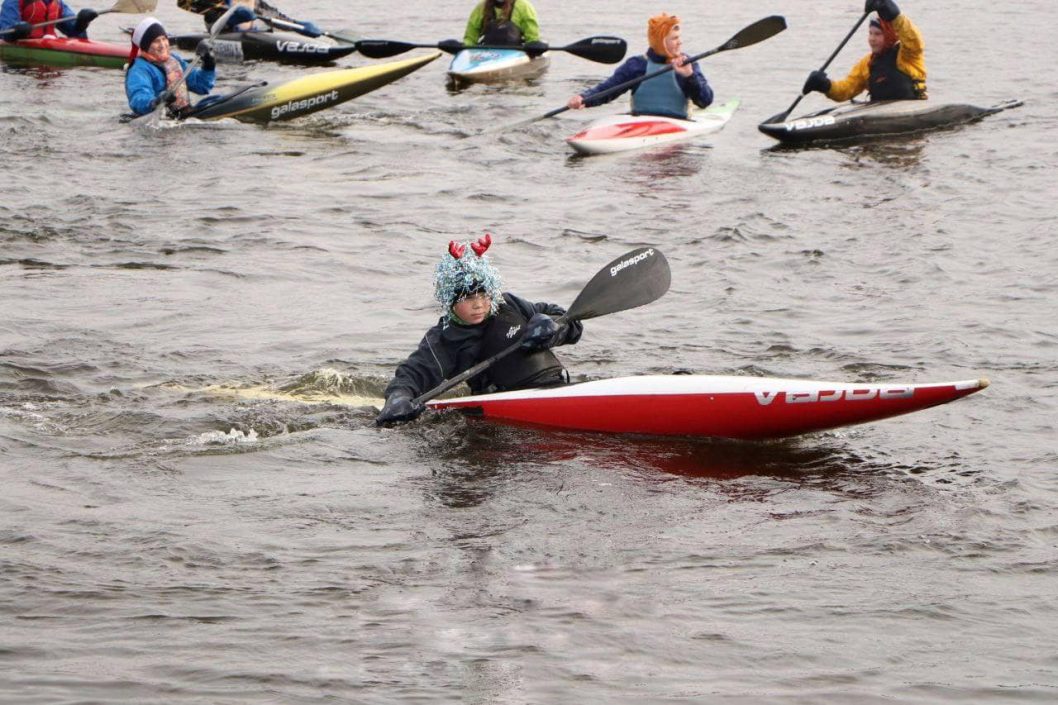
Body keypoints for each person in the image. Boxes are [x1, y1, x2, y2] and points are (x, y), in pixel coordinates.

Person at [376, 234, 583, 426]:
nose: (479, 305)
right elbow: (413, 373)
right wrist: (399, 396)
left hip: (555, 387)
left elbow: (573, 324)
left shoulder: (510, 305)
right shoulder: (445, 338)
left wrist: (554, 328)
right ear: (451, 303)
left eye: (484, 296)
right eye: (468, 298)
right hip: (505, 405)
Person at [566, 13, 712, 120]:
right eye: (674, 38)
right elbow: (608, 89)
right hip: (640, 123)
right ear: (660, 42)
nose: (680, 42)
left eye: (679, 37)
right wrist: (583, 98)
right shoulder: (637, 65)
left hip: (677, 125)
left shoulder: (688, 64)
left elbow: (705, 101)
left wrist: (690, 76)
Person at [802, 0, 927, 102]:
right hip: (881, 117)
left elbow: (913, 39)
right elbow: (846, 90)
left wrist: (895, 17)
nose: (872, 39)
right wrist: (826, 86)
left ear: (890, 35)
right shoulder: (867, 64)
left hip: (912, 112)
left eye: (877, 34)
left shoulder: (907, 54)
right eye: (870, 33)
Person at [125, 16, 216, 118]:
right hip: (161, 117)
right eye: (156, 41)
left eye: (164, 39)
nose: (162, 45)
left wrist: (209, 64)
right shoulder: (138, 69)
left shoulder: (174, 59)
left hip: (184, 112)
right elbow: (137, 98)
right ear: (146, 46)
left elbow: (202, 86)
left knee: (215, 99)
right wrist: (156, 101)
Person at [176, 0, 322, 38]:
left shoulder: (258, 4)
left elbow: (277, 18)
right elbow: (182, 2)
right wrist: (227, 13)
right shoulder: (217, 2)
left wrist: (298, 26)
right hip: (221, 34)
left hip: (253, 38)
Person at [0, 0, 98, 41]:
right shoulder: (13, 1)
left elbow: (74, 33)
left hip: (50, 43)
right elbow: (4, 33)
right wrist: (16, 30)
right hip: (22, 45)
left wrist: (82, 22)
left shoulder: (58, 3)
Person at [462, 0, 540, 47]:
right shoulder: (481, 7)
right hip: (487, 52)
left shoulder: (523, 6)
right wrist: (464, 46)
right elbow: (470, 38)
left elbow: (532, 38)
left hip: (515, 52)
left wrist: (533, 45)